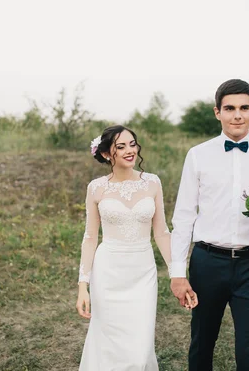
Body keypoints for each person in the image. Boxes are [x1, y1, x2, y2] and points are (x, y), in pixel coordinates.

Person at [170, 79, 249, 371]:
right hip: (208, 262)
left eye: (244, 108)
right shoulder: (197, 155)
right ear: (217, 112)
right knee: (202, 347)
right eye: (230, 108)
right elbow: (184, 215)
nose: (237, 115)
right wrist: (177, 273)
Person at [76, 125, 197, 370]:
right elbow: (90, 237)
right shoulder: (96, 188)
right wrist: (83, 286)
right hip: (108, 272)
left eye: (132, 144)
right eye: (120, 146)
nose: (130, 151)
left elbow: (162, 232)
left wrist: (178, 273)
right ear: (107, 154)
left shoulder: (152, 183)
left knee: (140, 348)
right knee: (108, 342)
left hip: (142, 271)